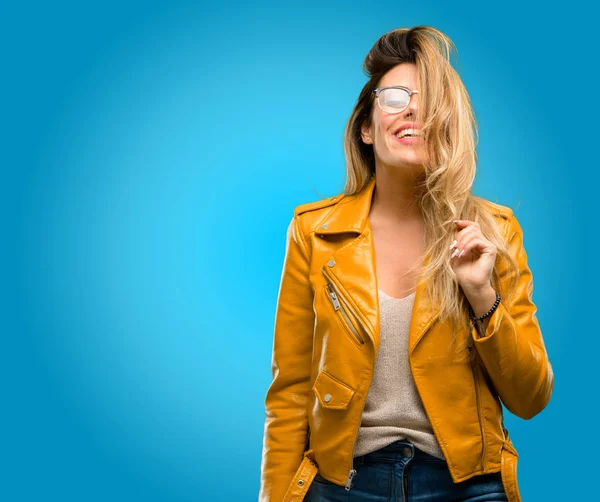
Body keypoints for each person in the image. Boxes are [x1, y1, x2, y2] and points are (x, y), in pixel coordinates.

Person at [258, 25, 553, 502]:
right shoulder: (313, 233)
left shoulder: (494, 233)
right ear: (367, 128)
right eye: (395, 97)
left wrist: (481, 294)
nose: (413, 108)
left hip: (467, 485)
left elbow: (531, 397)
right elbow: (289, 392)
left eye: (429, 100)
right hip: (343, 483)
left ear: (447, 125)